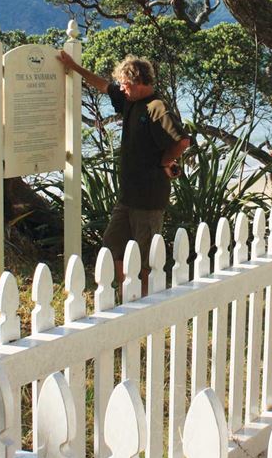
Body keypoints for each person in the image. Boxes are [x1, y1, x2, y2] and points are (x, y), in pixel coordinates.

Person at [58, 51, 190, 294]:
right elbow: (103, 86)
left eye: (125, 84)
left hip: (149, 200)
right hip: (127, 198)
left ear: (138, 82)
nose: (122, 88)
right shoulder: (130, 101)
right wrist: (74, 67)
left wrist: (166, 161)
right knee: (112, 248)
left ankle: (147, 302)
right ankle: (125, 294)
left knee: (146, 261)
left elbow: (182, 141)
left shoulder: (156, 108)